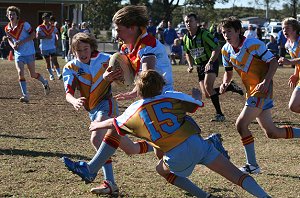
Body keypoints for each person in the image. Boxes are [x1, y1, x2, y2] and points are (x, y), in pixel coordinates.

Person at [62, 70, 271, 198]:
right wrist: (197, 96)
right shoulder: (170, 96)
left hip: (175, 156)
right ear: (161, 86)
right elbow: (195, 106)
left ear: (138, 90)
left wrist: (97, 125)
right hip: (197, 145)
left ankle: (203, 195)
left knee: (161, 168)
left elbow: (115, 123)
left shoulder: (133, 109)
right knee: (237, 176)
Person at [62, 32, 154, 195]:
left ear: (91, 47)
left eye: (86, 49)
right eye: (79, 50)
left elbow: (131, 70)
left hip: (107, 103)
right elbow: (68, 92)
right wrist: (74, 101)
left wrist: (120, 77)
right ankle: (165, 145)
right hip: (92, 110)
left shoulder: (107, 59)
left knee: (97, 137)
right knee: (130, 148)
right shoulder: (70, 67)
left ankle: (95, 173)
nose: (83, 53)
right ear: (73, 51)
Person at [219, 16, 300, 174]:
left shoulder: (252, 44)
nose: (226, 35)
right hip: (252, 91)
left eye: (229, 31)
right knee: (272, 132)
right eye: (223, 32)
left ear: (238, 31)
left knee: (241, 124)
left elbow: (273, 62)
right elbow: (228, 73)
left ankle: (252, 165)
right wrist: (225, 83)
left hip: (262, 89)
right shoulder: (225, 50)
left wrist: (266, 81)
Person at [183, 13, 244, 122]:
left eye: (190, 21)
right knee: (207, 94)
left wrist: (210, 62)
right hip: (200, 65)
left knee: (208, 87)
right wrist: (190, 65)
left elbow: (216, 48)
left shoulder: (204, 34)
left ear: (196, 22)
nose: (188, 23)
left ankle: (219, 114)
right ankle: (230, 87)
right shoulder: (185, 38)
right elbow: (187, 53)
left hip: (211, 61)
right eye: (186, 21)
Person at [111, 5, 174, 101]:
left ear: (132, 28)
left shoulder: (147, 44)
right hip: (148, 94)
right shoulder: (127, 46)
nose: (117, 36)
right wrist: (107, 76)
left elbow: (147, 75)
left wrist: (134, 92)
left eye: (119, 30)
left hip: (162, 95)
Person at [4, 6, 50, 103]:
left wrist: (21, 42)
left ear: (17, 16)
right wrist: (13, 46)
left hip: (29, 52)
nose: (11, 16)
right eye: (9, 14)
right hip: (18, 53)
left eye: (13, 14)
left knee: (32, 74)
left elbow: (33, 35)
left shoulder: (24, 24)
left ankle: (44, 82)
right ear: (7, 16)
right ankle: (25, 95)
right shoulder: (7, 28)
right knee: (20, 72)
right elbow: (9, 39)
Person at [278, 17, 300, 113]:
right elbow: (298, 63)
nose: (284, 30)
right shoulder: (288, 44)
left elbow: (294, 61)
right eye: (283, 28)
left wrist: (290, 61)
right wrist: (296, 74)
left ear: (295, 29)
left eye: (287, 28)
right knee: (293, 106)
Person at [36, 13, 62, 80]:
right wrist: (46, 36)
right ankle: (51, 75)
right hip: (44, 47)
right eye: (46, 18)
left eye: (48, 18)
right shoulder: (40, 27)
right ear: (43, 19)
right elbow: (37, 37)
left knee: (55, 60)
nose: (47, 20)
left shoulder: (53, 27)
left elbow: (57, 33)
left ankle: (59, 74)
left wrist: (56, 40)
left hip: (52, 46)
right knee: (47, 62)